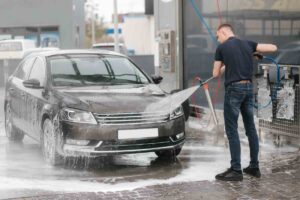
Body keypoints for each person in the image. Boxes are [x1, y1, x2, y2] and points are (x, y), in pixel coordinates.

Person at [212, 24, 277, 181]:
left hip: (234, 90)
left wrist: (226, 63)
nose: (218, 39)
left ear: (224, 31)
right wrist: (253, 52)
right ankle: (254, 167)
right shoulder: (247, 44)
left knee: (232, 130)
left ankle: (236, 170)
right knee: (251, 129)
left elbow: (215, 74)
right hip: (248, 89)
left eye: (217, 36)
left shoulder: (221, 48)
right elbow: (273, 47)